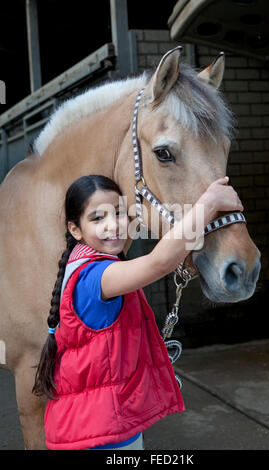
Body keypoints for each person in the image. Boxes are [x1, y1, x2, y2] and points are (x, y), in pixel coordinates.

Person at [32, 174, 243, 450]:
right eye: (97, 218)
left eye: (119, 213)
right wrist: (209, 203)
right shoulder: (97, 276)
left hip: (97, 425)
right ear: (75, 230)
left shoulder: (83, 263)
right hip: (101, 435)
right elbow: (159, 263)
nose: (112, 225)